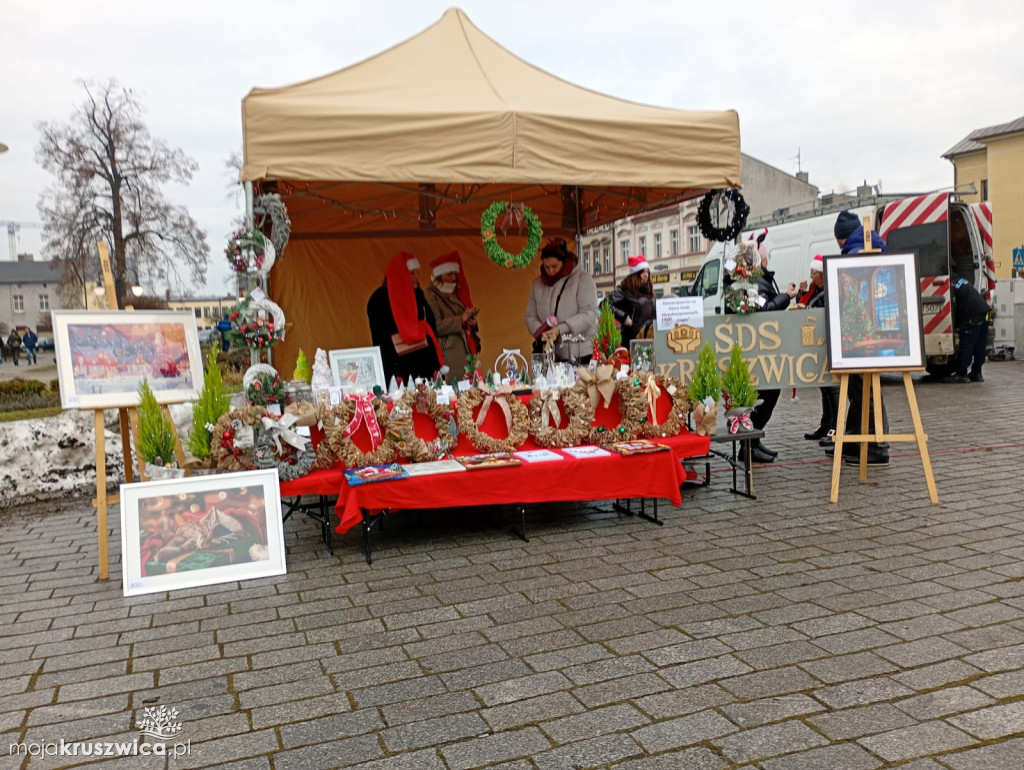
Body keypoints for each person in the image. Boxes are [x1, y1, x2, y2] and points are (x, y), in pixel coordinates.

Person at [723, 231, 798, 464]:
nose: (766, 260)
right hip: (751, 349)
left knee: (766, 392)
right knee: (761, 393)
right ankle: (748, 445)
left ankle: (752, 442)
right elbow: (761, 313)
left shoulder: (752, 280)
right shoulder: (741, 285)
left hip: (760, 348)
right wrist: (785, 297)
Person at [829, 210, 890, 466]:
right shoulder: (876, 249)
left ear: (841, 239)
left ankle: (877, 446)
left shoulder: (855, 256)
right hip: (862, 332)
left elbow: (851, 297)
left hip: (860, 334)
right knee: (859, 388)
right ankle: (856, 440)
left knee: (867, 388)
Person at [367, 252, 445, 383]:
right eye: (412, 273)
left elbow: (432, 329)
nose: (416, 277)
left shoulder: (419, 296)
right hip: (396, 368)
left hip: (423, 367)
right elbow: (379, 337)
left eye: (417, 273)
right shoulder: (380, 299)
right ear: (400, 274)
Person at [526, 237, 598, 364]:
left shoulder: (583, 280)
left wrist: (561, 329)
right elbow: (530, 315)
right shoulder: (537, 284)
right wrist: (542, 332)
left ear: (565, 262)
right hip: (551, 355)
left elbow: (589, 314)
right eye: (546, 266)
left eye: (554, 266)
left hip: (581, 353)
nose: (550, 271)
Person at [796, 256, 839, 444]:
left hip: (827, 344)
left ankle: (836, 429)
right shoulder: (815, 290)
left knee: (831, 388)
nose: (811, 277)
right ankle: (826, 424)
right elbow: (805, 304)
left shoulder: (828, 292)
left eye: (814, 273)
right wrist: (801, 293)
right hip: (816, 344)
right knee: (824, 387)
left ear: (822, 274)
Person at [423, 251, 480, 382]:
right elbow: (435, 325)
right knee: (453, 391)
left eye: (455, 273)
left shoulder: (455, 292)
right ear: (439, 275)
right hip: (447, 352)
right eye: (449, 274)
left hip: (464, 349)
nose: (454, 278)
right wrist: (460, 320)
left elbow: (462, 318)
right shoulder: (430, 295)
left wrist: (470, 321)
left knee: (468, 390)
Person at [946, 275, 990, 383]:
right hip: (984, 313)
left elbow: (953, 309)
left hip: (972, 315)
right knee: (980, 344)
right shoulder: (963, 281)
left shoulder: (951, 286)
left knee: (967, 343)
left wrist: (956, 327)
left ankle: (962, 373)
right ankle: (977, 373)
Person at [606, 255, 656, 348]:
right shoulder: (624, 289)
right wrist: (623, 317)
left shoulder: (648, 291)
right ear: (635, 275)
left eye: (647, 272)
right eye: (643, 272)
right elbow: (605, 304)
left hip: (649, 338)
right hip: (632, 340)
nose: (646, 275)